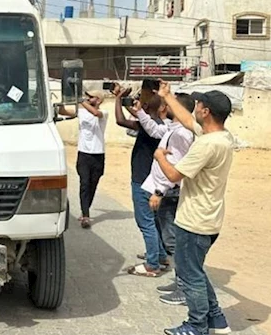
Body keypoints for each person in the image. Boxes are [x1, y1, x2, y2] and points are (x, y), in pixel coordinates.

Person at [155, 81, 235, 335]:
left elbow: (174, 174)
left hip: (194, 221)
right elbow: (188, 121)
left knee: (190, 276)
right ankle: (216, 319)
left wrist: (159, 157)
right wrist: (167, 95)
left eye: (199, 103)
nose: (196, 106)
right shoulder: (221, 136)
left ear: (206, 111)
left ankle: (197, 327)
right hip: (209, 219)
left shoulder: (205, 146)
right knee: (197, 271)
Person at [134, 93, 197, 305]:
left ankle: (184, 288)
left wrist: (159, 191)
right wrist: (140, 112)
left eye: (169, 103)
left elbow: (176, 167)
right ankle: (180, 282)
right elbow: (153, 129)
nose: (164, 106)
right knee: (171, 240)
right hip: (165, 190)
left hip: (168, 192)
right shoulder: (174, 129)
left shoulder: (182, 135)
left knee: (174, 242)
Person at [113, 84, 165, 277]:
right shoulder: (158, 124)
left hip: (142, 180)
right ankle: (159, 255)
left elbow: (120, 120)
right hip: (154, 180)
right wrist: (123, 101)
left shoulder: (149, 125)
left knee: (146, 223)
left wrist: (118, 99)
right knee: (154, 221)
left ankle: (152, 265)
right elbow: (133, 116)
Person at [59, 89, 108, 228]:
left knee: (93, 184)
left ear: (98, 100)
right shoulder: (82, 112)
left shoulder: (104, 113)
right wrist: (63, 101)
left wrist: (80, 101)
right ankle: (86, 215)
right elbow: (64, 112)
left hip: (98, 154)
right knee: (85, 183)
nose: (87, 98)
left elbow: (95, 113)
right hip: (84, 153)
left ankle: (85, 209)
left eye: (91, 97)